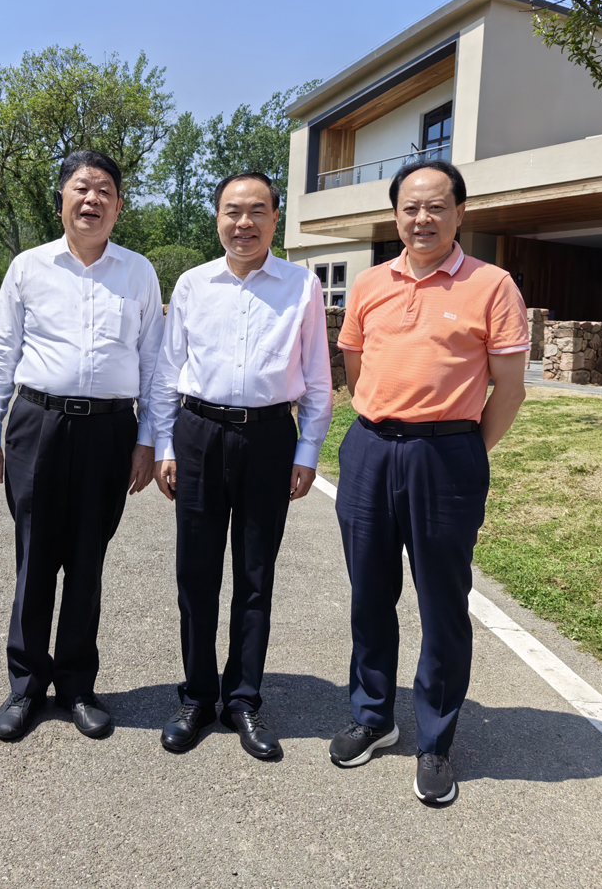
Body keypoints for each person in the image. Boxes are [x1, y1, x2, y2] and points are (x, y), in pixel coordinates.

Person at [330, 158, 528, 804]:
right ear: (395, 216)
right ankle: (372, 714)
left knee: (442, 602)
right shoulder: (369, 284)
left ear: (460, 213)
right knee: (368, 591)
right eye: (410, 207)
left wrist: (462, 449)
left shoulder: (492, 285)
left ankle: (436, 739)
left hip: (446, 456)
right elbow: (355, 365)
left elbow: (509, 388)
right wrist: (385, 422)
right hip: (370, 449)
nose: (422, 218)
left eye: (436, 206)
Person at [0, 149, 164, 742]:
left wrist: (147, 441)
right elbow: (0, 354)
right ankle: (26, 685)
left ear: (119, 206)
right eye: (82, 188)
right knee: (35, 557)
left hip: (110, 430)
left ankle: (78, 685)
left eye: (105, 190)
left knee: (87, 559)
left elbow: (155, 366)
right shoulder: (28, 267)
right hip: (38, 424)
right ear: (61, 199)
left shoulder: (138, 272)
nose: (92, 199)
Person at [150, 172, 333, 760]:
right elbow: (167, 371)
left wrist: (307, 452)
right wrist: (164, 446)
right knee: (196, 573)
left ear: (276, 218)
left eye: (257, 210)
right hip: (198, 433)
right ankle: (198, 696)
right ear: (217, 218)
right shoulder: (193, 283)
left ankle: (244, 700)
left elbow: (319, 378)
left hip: (269, 437)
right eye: (232, 211)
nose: (244, 223)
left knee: (255, 575)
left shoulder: (302, 286)